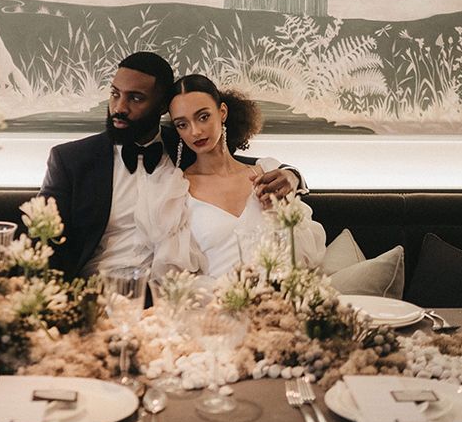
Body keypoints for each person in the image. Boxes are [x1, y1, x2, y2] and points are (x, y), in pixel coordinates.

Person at [39, 52, 305, 279]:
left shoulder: (187, 144)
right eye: (115, 94)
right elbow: (43, 245)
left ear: (162, 107)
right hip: (96, 289)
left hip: (163, 291)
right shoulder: (71, 160)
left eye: (135, 98)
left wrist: (293, 176)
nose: (119, 108)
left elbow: (237, 166)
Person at [142, 74, 325, 278]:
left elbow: (302, 259)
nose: (195, 131)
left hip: (279, 300)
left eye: (203, 117)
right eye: (182, 124)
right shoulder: (175, 192)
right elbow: (176, 280)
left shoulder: (267, 174)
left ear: (222, 112)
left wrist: (290, 187)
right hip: (216, 303)